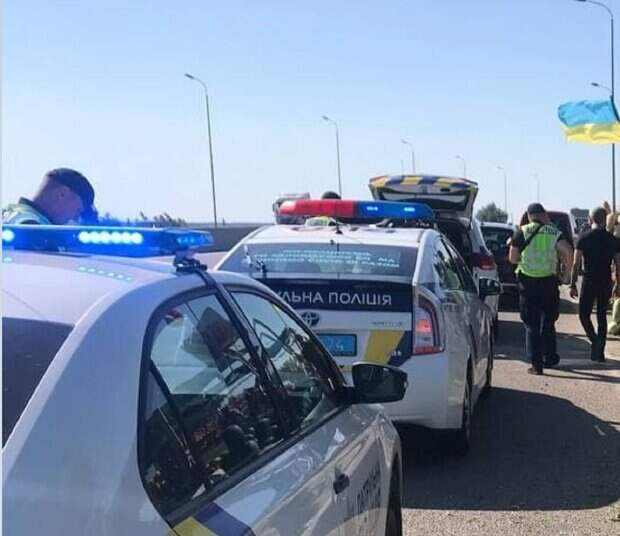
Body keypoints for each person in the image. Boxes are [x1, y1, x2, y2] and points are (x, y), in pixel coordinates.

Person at [509, 203, 574, 375]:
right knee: (548, 322)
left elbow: (512, 258)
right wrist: (566, 274)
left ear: (529, 216)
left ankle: (536, 365)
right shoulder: (553, 232)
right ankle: (550, 357)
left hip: (527, 282)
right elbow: (568, 251)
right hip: (548, 282)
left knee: (531, 324)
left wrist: (523, 261)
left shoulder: (522, 232)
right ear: (543, 214)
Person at [569, 206, 620, 362]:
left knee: (584, 314)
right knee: (602, 316)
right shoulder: (613, 240)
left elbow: (576, 263)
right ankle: (600, 351)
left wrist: (572, 284)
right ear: (605, 219)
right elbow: (618, 264)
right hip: (605, 280)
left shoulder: (583, 238)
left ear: (590, 219)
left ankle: (594, 340)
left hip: (589, 280)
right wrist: (618, 283)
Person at [3, 168, 96, 225]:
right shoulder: (27, 222)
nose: (75, 218)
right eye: (78, 210)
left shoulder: (14, 214)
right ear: (62, 194)